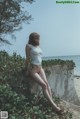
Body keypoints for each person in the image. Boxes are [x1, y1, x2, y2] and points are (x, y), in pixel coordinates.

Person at [25, 32, 64, 115]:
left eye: (38, 38)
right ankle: (54, 106)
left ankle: (52, 102)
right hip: (33, 69)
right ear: (32, 38)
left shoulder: (38, 46)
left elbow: (39, 57)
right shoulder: (28, 46)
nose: (38, 39)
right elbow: (27, 59)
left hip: (40, 68)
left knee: (47, 84)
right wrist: (27, 70)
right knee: (44, 85)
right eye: (37, 38)